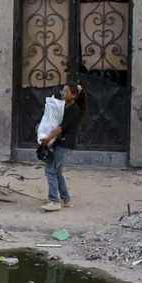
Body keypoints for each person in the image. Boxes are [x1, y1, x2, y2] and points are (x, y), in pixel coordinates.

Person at [39, 83, 86, 212]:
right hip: (59, 142)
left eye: (66, 92)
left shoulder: (74, 110)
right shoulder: (63, 107)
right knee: (57, 172)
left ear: (73, 95)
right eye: (62, 91)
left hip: (64, 143)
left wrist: (48, 138)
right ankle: (66, 200)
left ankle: (54, 201)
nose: (62, 94)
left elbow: (62, 127)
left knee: (50, 170)